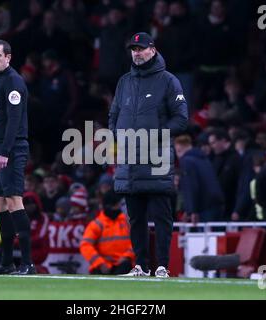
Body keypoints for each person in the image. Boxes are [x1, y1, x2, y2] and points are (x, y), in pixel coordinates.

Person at [108, 32, 188, 277]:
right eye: (133, 49)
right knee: (136, 220)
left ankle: (162, 266)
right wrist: (117, 137)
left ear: (152, 50)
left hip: (157, 160)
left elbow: (181, 119)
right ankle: (141, 266)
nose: (137, 53)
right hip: (130, 162)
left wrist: (155, 136)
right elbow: (113, 115)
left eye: (141, 48)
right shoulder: (124, 82)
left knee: (162, 217)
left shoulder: (168, 80)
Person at [0, 39, 35, 275]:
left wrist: (4, 152)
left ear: (8, 57)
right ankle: (6, 262)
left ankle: (27, 263)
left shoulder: (13, 82)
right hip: (0, 149)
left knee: (14, 201)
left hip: (13, 149)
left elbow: (14, 121)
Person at [80, 190, 135, 275]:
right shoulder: (97, 224)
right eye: (114, 206)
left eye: (116, 205)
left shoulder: (126, 222)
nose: (115, 208)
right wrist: (100, 263)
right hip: (102, 266)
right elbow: (85, 245)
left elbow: (137, 241)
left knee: (126, 267)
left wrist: (127, 257)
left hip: (124, 264)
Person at [174, 134, 224, 223]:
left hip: (203, 207)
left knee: (204, 235)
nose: (178, 155)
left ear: (180, 148)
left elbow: (191, 186)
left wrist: (192, 211)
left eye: (178, 151)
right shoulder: (203, 158)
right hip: (216, 204)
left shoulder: (186, 161)